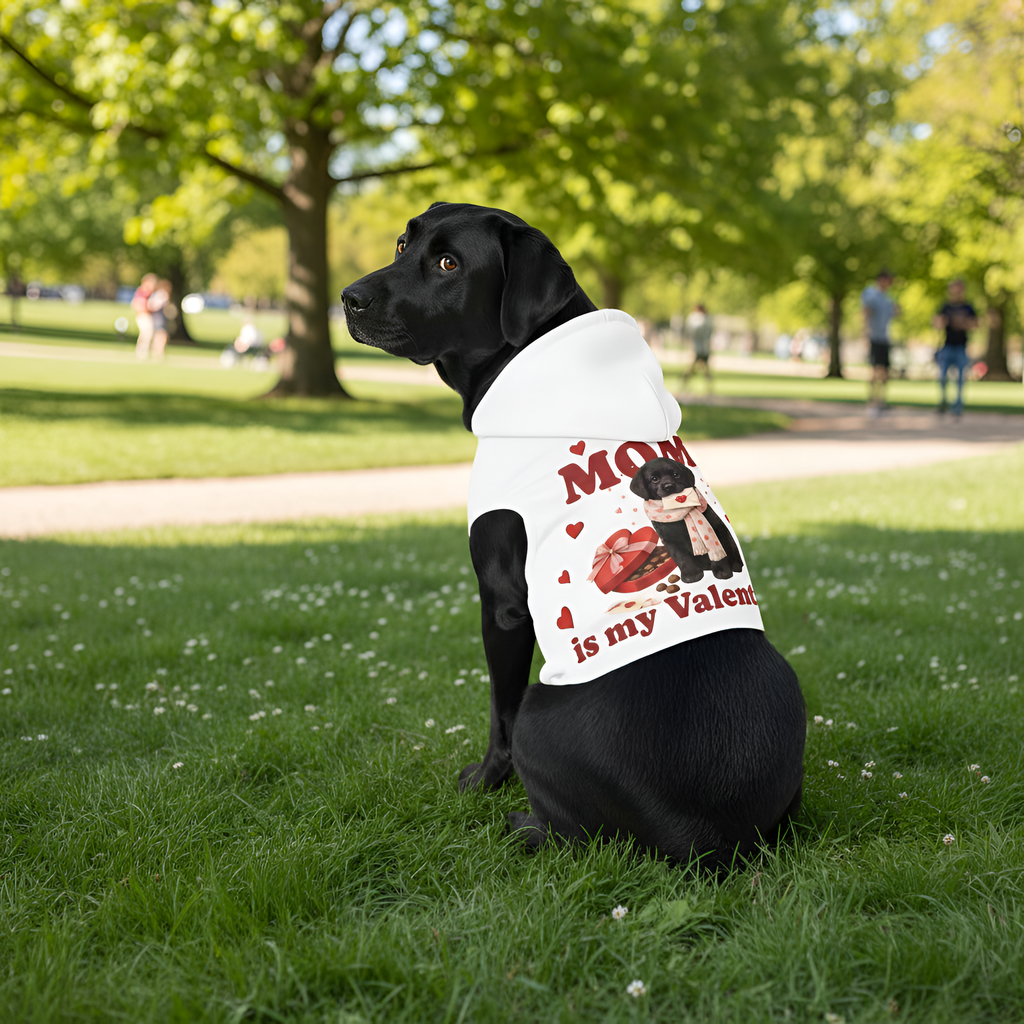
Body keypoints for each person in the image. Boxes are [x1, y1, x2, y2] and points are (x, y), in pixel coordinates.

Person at [932, 279, 978, 416]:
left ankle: (958, 405)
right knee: (942, 376)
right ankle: (943, 401)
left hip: (961, 347)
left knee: (961, 378)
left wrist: (963, 324)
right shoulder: (946, 307)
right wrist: (941, 322)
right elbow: (937, 323)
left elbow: (975, 324)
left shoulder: (968, 308)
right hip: (947, 345)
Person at [861, 268, 899, 414]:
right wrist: (865, 334)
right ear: (881, 280)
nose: (890, 284)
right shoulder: (871, 294)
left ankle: (881, 400)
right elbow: (866, 313)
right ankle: (872, 400)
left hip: (884, 338)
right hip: (874, 337)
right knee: (875, 369)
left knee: (884, 371)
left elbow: (893, 314)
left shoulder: (887, 298)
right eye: (889, 281)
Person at [681, 303, 713, 393]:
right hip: (698, 346)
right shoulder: (698, 319)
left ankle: (685, 381)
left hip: (702, 347)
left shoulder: (704, 319)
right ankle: (684, 381)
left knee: (702, 367)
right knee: (696, 367)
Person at [132, 273, 157, 358]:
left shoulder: (148, 293)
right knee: (146, 333)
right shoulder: (142, 292)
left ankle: (144, 351)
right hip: (142, 315)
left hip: (146, 315)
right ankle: (141, 351)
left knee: (148, 334)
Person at [147, 279, 171, 360]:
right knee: (161, 335)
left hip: (157, 317)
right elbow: (155, 305)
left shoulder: (156, 294)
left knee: (159, 335)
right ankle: (158, 352)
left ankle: (157, 352)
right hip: (158, 318)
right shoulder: (161, 294)